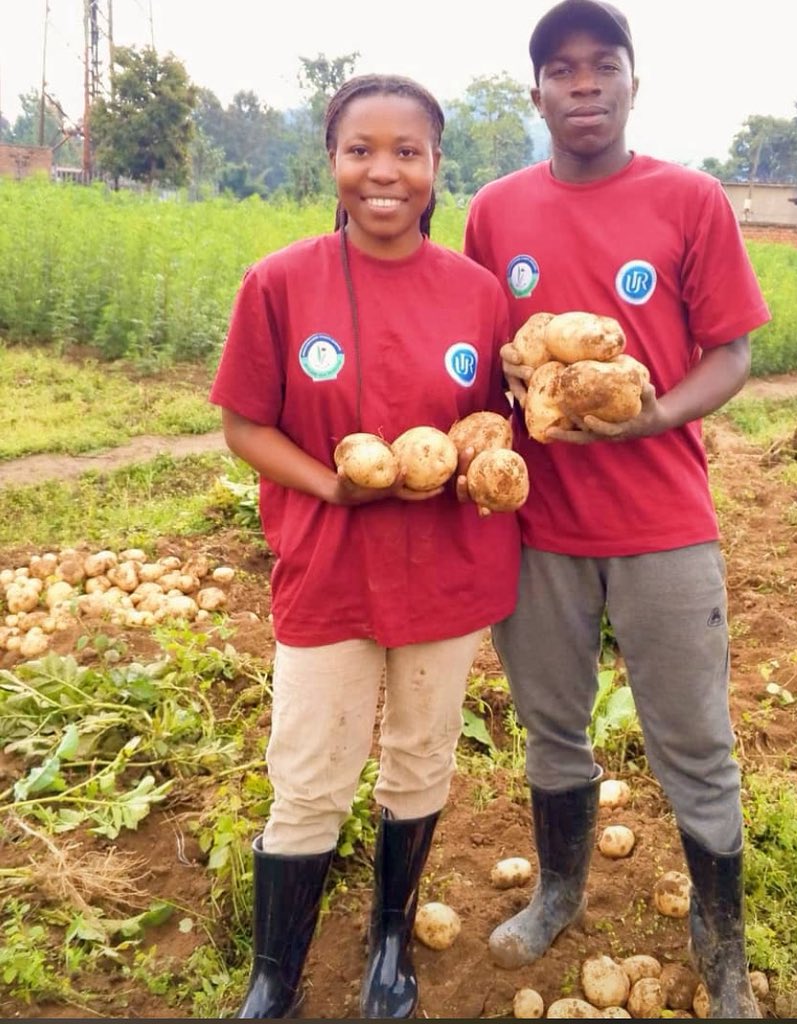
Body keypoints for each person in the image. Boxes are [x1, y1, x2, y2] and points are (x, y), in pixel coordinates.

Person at [462, 1, 771, 1017]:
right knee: (550, 728)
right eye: (562, 68)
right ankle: (557, 891)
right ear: (537, 93)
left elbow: (730, 349)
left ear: (635, 81)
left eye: (603, 65)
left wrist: (653, 418)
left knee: (692, 740)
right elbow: (481, 348)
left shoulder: (689, 200)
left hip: (663, 524)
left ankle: (718, 947)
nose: (583, 82)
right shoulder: (496, 210)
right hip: (539, 529)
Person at [209, 73, 520, 1020]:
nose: (383, 172)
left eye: (408, 152)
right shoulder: (280, 281)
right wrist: (330, 484)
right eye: (361, 150)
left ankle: (391, 944)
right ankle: (277, 974)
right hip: (328, 567)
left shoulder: (475, 294)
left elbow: (493, 428)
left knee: (421, 759)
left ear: (435, 166)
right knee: (309, 776)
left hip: (444, 576)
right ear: (333, 160)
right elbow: (243, 425)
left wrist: (481, 459)